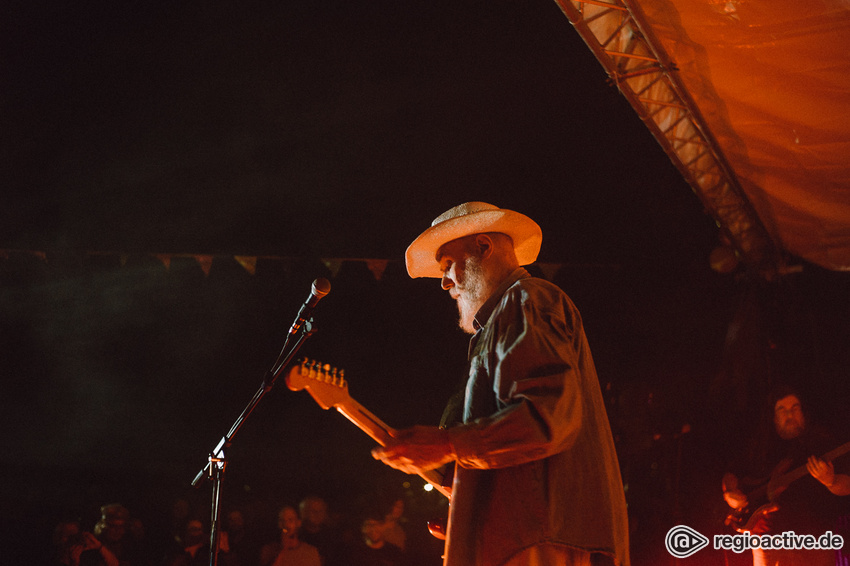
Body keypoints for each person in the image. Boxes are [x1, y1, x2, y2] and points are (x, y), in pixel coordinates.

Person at [371, 202, 630, 566]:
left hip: (543, 543)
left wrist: (447, 443)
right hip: (528, 540)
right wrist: (475, 516)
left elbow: (546, 419)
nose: (444, 283)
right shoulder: (507, 317)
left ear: (483, 246)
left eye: (447, 266)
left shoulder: (528, 299)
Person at [722, 386, 850, 566]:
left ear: (804, 413)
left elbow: (847, 485)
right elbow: (732, 473)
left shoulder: (823, 442)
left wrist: (831, 481)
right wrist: (730, 493)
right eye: (782, 410)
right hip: (766, 540)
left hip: (815, 540)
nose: (789, 415)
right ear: (773, 418)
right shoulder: (760, 447)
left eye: (795, 408)